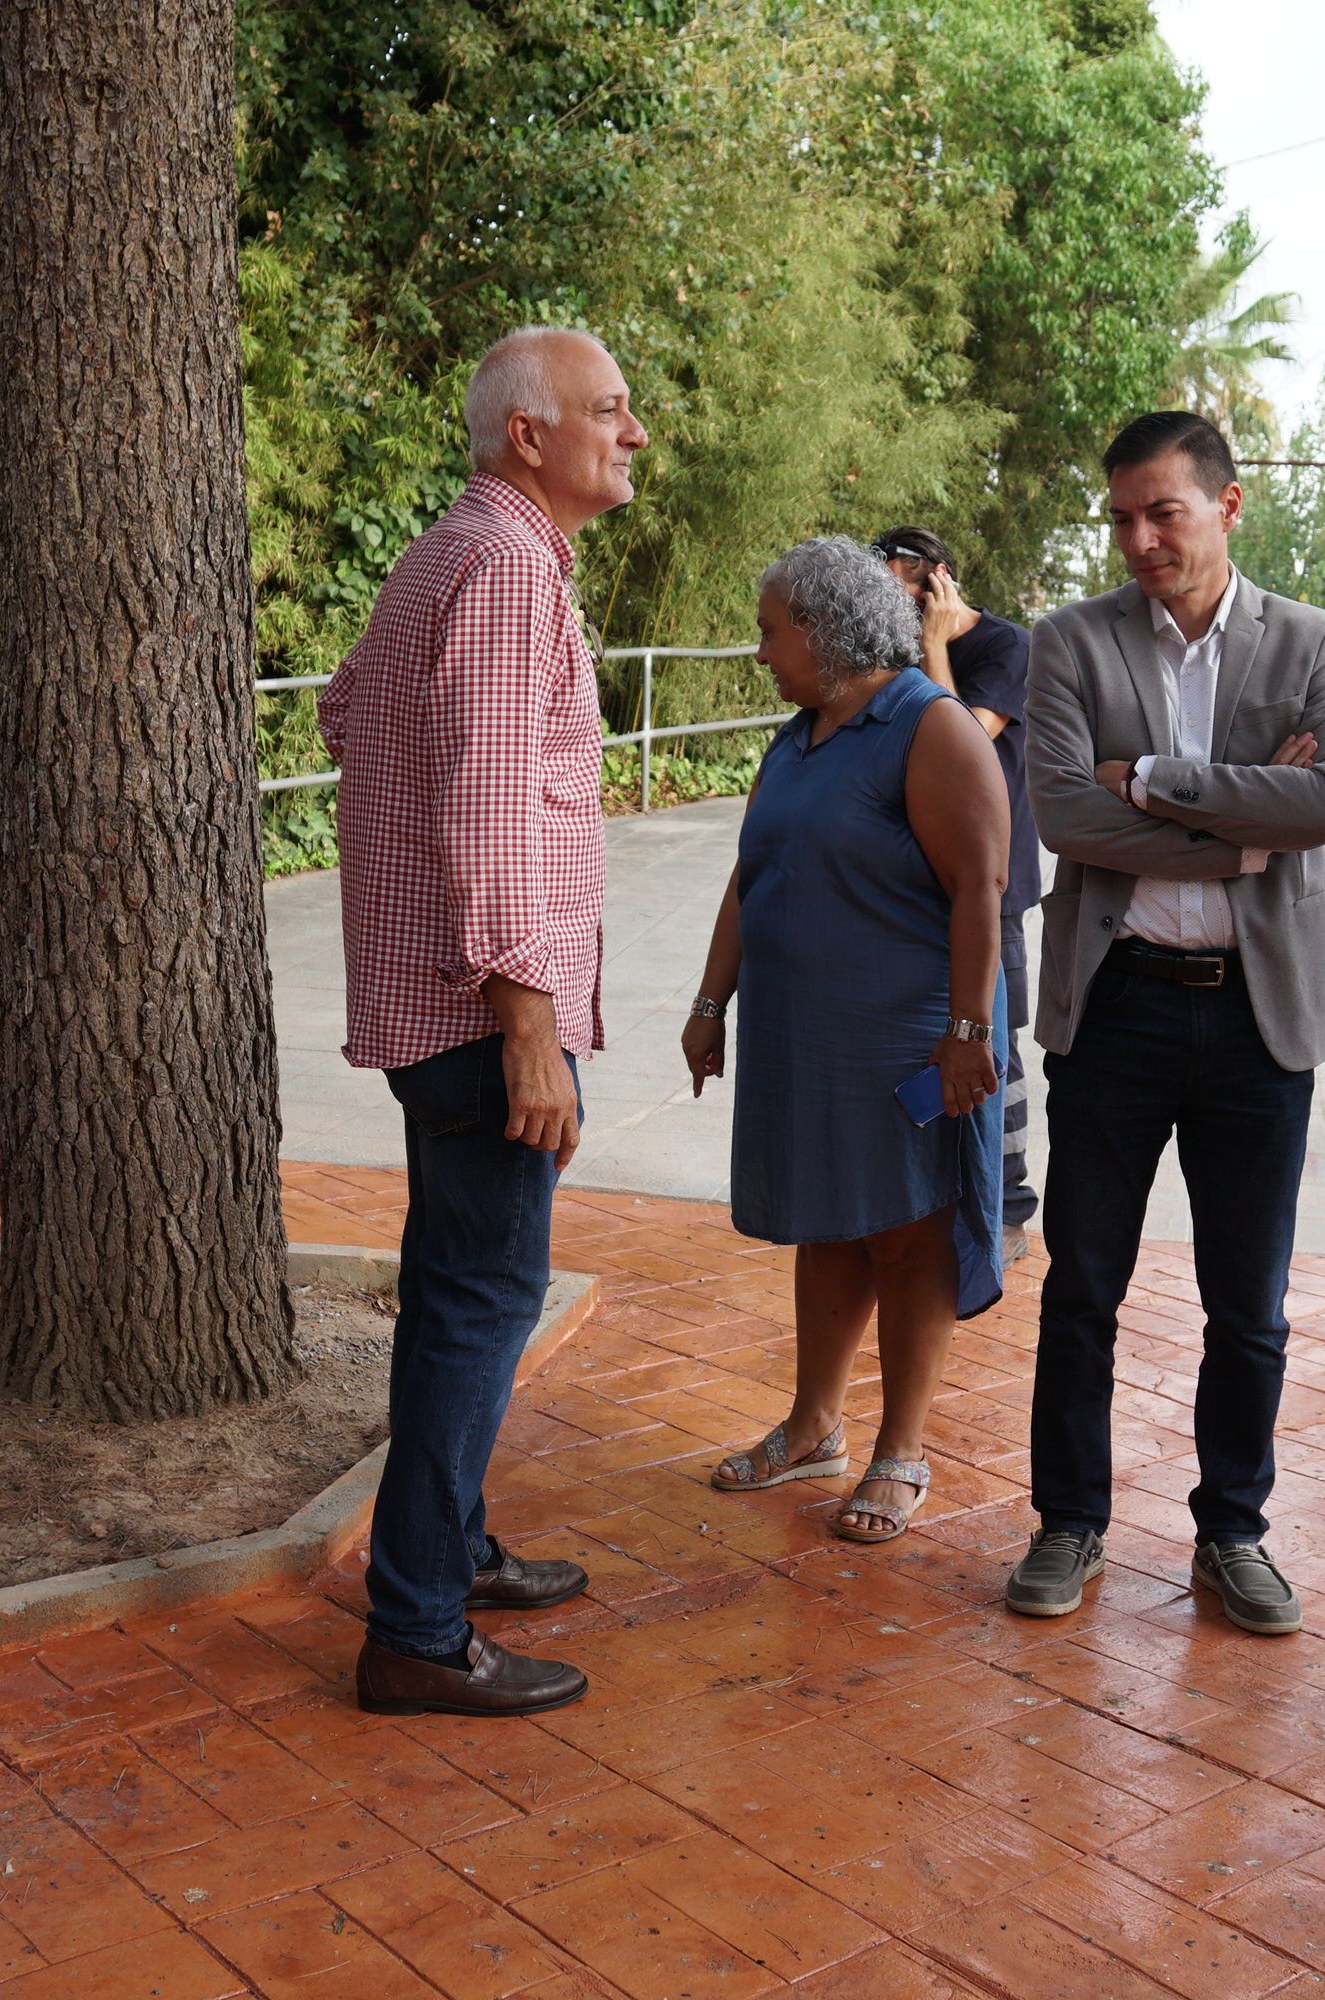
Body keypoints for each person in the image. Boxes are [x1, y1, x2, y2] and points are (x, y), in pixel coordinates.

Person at [320, 325, 647, 1718]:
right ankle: (418, 1629)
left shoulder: (458, 549)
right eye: (613, 412)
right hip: (482, 1011)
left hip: (434, 997)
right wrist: (527, 1016)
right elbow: (493, 799)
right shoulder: (509, 566)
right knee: (479, 1302)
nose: (634, 435)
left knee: (456, 1293)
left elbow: (349, 717)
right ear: (531, 434)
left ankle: (443, 1553)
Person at [1011, 411, 1325, 1634]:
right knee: (1082, 1284)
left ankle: (1233, 1530)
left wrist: (1152, 780)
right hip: (1116, 1006)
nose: (1138, 537)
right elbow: (1063, 814)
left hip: (1256, 1025)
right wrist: (1243, 821)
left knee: (1247, 1301)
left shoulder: (1315, 641)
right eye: (1120, 515)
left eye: (1161, 510)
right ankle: (1069, 1520)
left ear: (1227, 505)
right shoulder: (1068, 644)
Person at [683, 537, 1008, 1544]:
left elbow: (978, 891)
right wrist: (708, 1001)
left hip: (901, 1042)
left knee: (909, 1235)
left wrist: (963, 1032)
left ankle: (899, 1448)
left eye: (769, 630)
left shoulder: (927, 726)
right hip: (802, 1038)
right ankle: (813, 1422)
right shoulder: (796, 737)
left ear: (822, 629)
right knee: (827, 1227)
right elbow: (751, 874)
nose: (759, 650)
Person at [875, 525, 1042, 1259]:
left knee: (992, 1043)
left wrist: (935, 645)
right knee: (921, 1036)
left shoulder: (1006, 647)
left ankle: (1006, 1206)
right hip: (915, 883)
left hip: (991, 884)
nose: (894, 609)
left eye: (905, 592)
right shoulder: (888, 650)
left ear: (938, 582)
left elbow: (964, 750)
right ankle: (936, 1192)